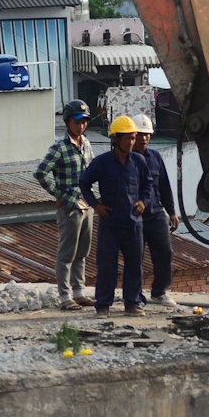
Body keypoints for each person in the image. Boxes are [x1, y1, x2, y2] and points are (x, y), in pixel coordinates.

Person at [79, 115, 150, 316]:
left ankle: (132, 303)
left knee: (134, 266)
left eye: (133, 138)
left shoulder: (138, 161)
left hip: (133, 225)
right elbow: (84, 183)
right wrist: (95, 205)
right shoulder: (102, 163)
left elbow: (148, 184)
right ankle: (103, 305)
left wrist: (143, 201)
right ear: (116, 139)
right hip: (110, 224)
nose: (131, 142)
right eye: (127, 138)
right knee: (107, 266)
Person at [34, 100, 94, 311]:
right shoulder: (59, 147)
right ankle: (65, 295)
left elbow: (93, 171)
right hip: (69, 207)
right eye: (77, 122)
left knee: (82, 252)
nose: (81, 126)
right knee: (67, 253)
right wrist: (58, 195)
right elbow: (40, 172)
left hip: (87, 205)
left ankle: (79, 293)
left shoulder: (87, 144)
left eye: (84, 122)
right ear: (68, 121)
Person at [130, 114, 179, 306]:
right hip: (136, 216)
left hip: (156, 214)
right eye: (140, 134)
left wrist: (172, 212)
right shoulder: (127, 159)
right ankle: (135, 295)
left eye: (147, 135)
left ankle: (159, 291)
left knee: (165, 253)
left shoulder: (155, 157)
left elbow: (165, 186)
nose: (144, 139)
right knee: (136, 257)